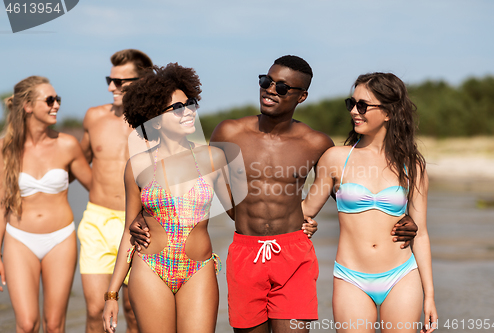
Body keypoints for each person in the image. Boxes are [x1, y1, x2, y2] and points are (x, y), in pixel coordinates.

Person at [130, 56, 419, 333]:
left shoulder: (316, 143)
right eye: (266, 81)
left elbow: (350, 194)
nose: (270, 89)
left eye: (281, 87)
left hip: (293, 254)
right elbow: (192, 179)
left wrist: (401, 215)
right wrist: (144, 215)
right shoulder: (229, 132)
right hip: (245, 252)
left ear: (301, 96)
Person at [102, 63, 233, 333]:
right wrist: (112, 294)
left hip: (198, 269)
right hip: (150, 267)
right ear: (155, 120)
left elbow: (240, 215)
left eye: (190, 103)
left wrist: (296, 218)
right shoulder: (137, 166)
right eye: (177, 108)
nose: (188, 112)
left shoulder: (212, 158)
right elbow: (130, 231)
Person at [302, 72, 437, 333]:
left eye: (362, 105)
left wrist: (430, 295)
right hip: (351, 277)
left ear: (388, 112)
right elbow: (305, 210)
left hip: (401, 274)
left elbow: (420, 234)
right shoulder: (335, 158)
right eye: (350, 104)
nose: (354, 111)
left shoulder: (412, 165)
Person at [0, 76, 91, 332]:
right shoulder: (5, 150)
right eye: (49, 100)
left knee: (54, 324)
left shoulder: (67, 145)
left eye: (58, 99)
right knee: (27, 323)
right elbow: (1, 206)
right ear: (28, 106)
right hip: (18, 240)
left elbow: (97, 189)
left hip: (60, 239)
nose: (57, 105)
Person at [78, 49, 153, 333]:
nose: (112, 87)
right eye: (110, 79)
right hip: (98, 221)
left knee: (135, 311)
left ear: (143, 81)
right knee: (96, 309)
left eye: (120, 81)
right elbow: (75, 160)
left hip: (140, 224)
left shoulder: (158, 123)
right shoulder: (94, 117)